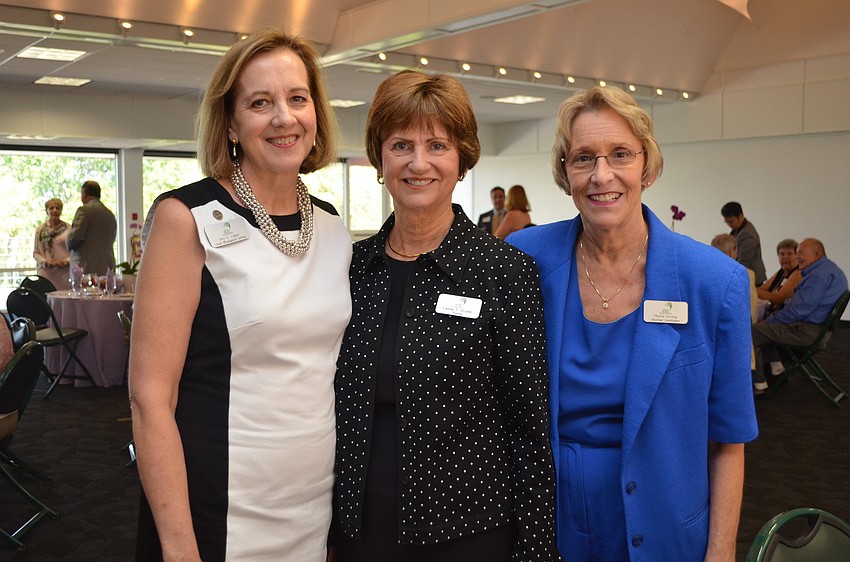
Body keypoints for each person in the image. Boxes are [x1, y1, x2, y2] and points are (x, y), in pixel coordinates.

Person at [507, 86, 757, 561]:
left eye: (620, 154)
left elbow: (728, 441)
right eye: (583, 158)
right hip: (545, 523)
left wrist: (721, 554)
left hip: (663, 525)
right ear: (565, 172)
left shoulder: (712, 282)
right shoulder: (526, 261)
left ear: (649, 166)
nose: (602, 175)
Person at [129, 29, 352, 561]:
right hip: (218, 507)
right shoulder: (186, 219)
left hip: (313, 502)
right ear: (230, 121)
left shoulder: (332, 226)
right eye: (260, 103)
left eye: (298, 98)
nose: (283, 117)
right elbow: (149, 399)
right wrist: (180, 547)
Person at [333, 70, 558, 561]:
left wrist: (537, 548)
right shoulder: (351, 270)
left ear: (462, 160)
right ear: (378, 159)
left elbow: (530, 430)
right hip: (358, 533)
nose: (418, 163)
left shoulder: (505, 272)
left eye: (437, 145)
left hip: (468, 532)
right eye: (400, 145)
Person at [751, 238, 848, 391]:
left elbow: (797, 311)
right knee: (767, 324)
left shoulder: (817, 277)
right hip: (818, 329)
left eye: (801, 253)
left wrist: (769, 321)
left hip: (807, 331)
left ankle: (760, 382)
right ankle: (776, 367)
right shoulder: (828, 269)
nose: (797, 257)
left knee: (751, 331)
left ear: (817, 254)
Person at [66, 180, 117, 275]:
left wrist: (67, 242)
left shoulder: (84, 211)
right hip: (107, 267)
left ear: (84, 193)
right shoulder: (110, 214)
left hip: (86, 268)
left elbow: (75, 237)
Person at [721, 201, 766, 285]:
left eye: (731, 221)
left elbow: (743, 263)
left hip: (752, 279)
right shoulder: (740, 228)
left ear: (741, 216)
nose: (729, 225)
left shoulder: (747, 234)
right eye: (727, 222)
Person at [757, 238, 802, 319]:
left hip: (784, 317)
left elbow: (778, 298)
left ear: (797, 256)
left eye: (789, 254)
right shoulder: (782, 271)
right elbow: (761, 289)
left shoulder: (798, 273)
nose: (785, 257)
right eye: (782, 254)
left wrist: (752, 289)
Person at [32, 197, 71, 289]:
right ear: (47, 211)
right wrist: (45, 262)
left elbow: (75, 251)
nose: (55, 211)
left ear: (61, 211)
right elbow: (36, 253)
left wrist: (67, 261)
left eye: (58, 208)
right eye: (51, 208)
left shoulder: (69, 229)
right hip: (45, 273)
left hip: (64, 274)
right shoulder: (40, 230)